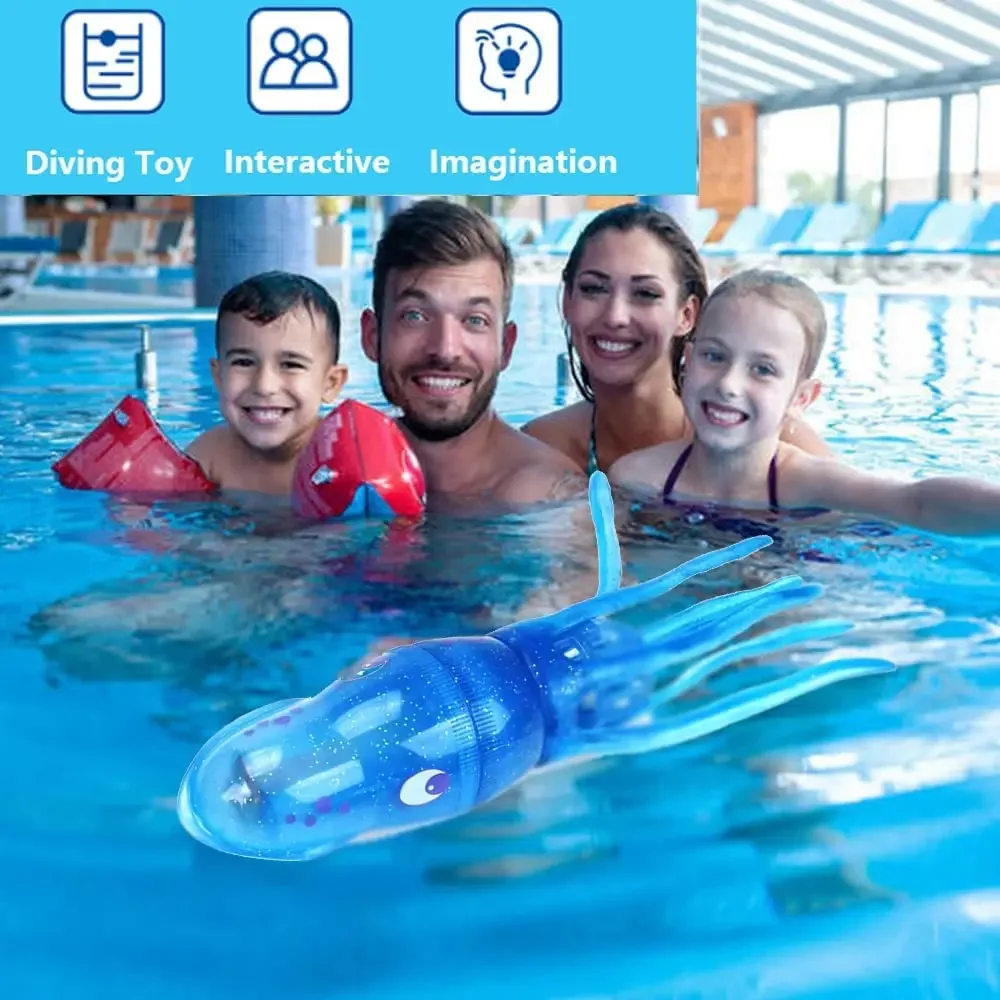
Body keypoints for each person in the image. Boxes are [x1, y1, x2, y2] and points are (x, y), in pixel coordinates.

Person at [609, 268, 1000, 537]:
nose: (729, 383)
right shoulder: (638, 478)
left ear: (801, 398)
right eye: (714, 356)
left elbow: (915, 503)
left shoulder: (809, 484)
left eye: (762, 369)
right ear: (688, 362)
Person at [522, 203, 834, 474]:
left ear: (686, 315)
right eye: (593, 289)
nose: (615, 316)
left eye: (646, 294)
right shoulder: (543, 449)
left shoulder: (776, 447)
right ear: (567, 301)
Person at [359, 198, 587, 510]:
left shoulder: (553, 501)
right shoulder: (330, 469)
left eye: (475, 320)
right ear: (371, 336)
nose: (445, 349)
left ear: (506, 346)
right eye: (415, 316)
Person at [187, 270, 348, 496]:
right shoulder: (209, 456)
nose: (264, 386)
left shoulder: (345, 459)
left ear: (330, 383)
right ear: (218, 377)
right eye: (243, 362)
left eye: (291, 365)